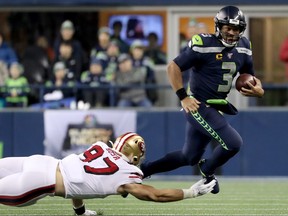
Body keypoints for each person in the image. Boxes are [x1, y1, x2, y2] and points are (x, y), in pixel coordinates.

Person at [141, 6, 265, 194]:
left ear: (242, 30)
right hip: (198, 104)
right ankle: (207, 169)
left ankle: (144, 170)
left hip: (216, 106)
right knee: (233, 143)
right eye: (227, 28)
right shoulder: (203, 43)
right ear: (218, 26)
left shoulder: (244, 46)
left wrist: (259, 90)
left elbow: (249, 76)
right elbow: (173, 67)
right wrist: (183, 97)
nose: (231, 32)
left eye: (236, 29)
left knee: (188, 156)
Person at [0, 132, 216, 216]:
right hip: (40, 182)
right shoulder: (128, 173)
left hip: (38, 161)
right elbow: (154, 195)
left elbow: (79, 176)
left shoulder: (100, 147)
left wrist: (81, 212)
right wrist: (190, 193)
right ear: (134, 156)